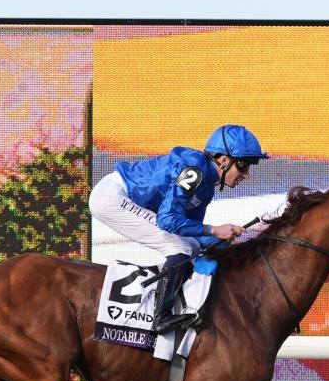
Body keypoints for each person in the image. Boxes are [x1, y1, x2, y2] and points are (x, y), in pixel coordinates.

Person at [89, 124, 267, 333]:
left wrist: (227, 241)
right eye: (243, 166)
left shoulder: (207, 189)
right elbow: (167, 220)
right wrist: (214, 230)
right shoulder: (193, 171)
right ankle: (161, 317)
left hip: (120, 197)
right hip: (112, 196)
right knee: (179, 247)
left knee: (189, 246)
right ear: (224, 160)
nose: (246, 175)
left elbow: (191, 233)